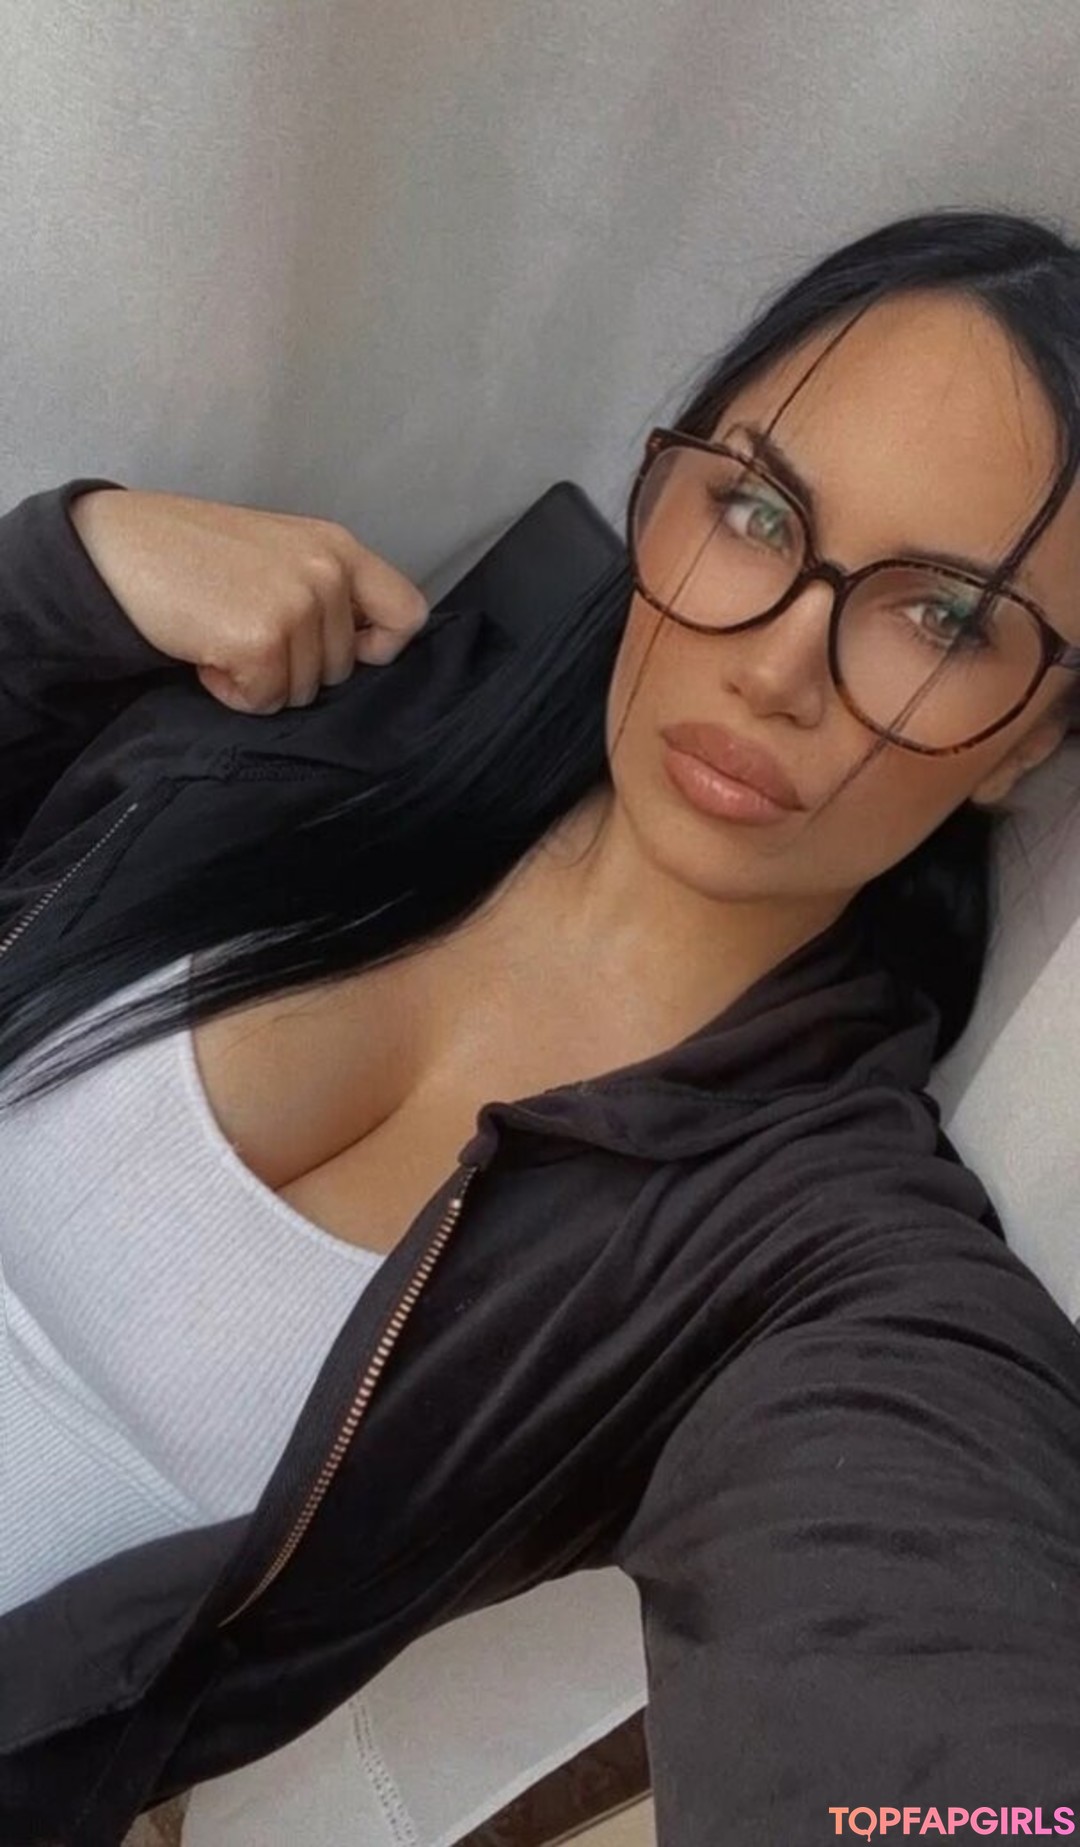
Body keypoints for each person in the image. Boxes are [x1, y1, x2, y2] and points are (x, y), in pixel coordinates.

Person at [3, 208, 1080, 1847]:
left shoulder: (814, 1259)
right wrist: (65, 577)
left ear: (1032, 740)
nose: (778, 664)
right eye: (757, 510)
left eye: (942, 619)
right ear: (667, 485)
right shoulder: (330, 711)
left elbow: (930, 1708)